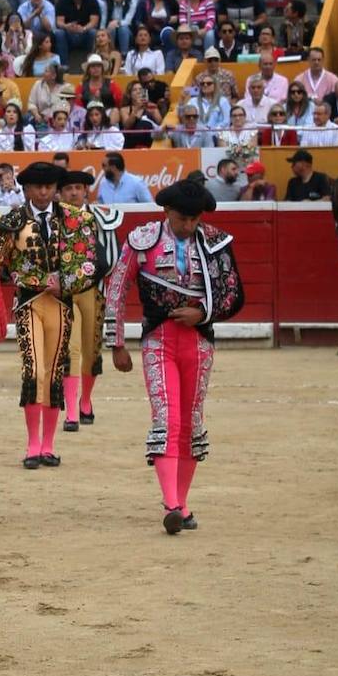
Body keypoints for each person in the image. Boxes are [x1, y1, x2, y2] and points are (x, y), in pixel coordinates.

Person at [105, 177, 244, 535]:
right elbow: (116, 291)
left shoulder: (214, 241)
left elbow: (234, 295)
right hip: (158, 341)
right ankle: (170, 503)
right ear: (167, 211)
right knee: (167, 419)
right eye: (184, 219)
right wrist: (116, 343)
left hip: (199, 343)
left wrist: (204, 313)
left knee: (190, 422)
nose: (189, 226)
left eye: (195, 219)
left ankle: (182, 503)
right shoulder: (142, 240)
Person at [0, 162, 96, 469]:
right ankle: (33, 445)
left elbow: (89, 263)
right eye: (37, 187)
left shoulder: (74, 220)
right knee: (34, 372)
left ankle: (48, 445)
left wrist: (67, 284)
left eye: (48, 186)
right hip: (28, 303)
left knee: (54, 371)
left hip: (61, 305)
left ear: (55, 188)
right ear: (27, 189)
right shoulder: (14, 221)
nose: (43, 192)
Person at [57, 168, 122, 431]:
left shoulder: (101, 218)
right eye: (69, 188)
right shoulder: (54, 220)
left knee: (91, 349)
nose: (74, 192)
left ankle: (86, 400)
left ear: (86, 191)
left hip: (93, 290)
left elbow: (113, 256)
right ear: (61, 192)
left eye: (78, 188)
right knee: (70, 350)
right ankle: (72, 410)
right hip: (64, 294)